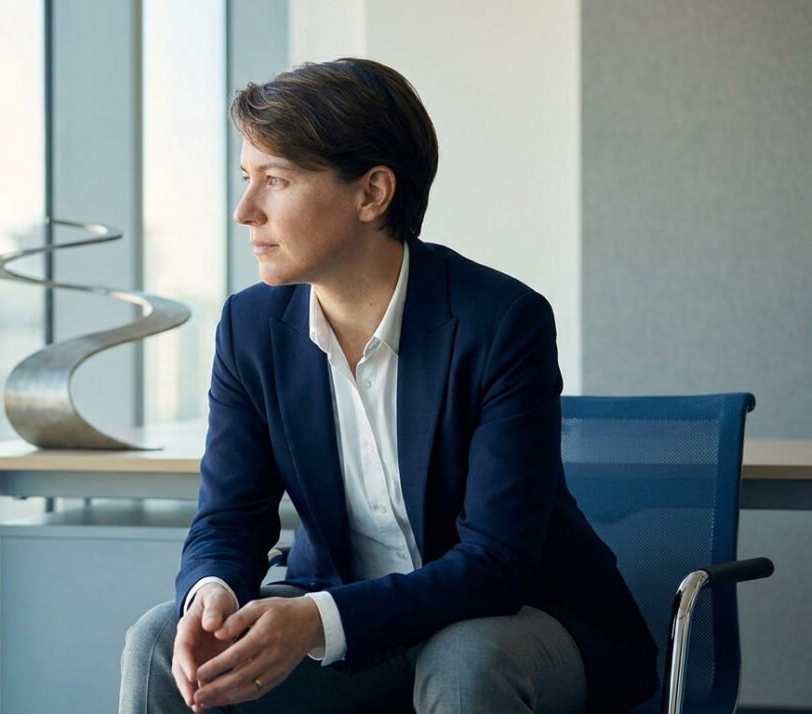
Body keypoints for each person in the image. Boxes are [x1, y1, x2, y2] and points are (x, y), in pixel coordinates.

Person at [118, 58, 658, 714]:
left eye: (275, 180)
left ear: (372, 194)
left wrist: (317, 620)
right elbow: (230, 518)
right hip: (351, 618)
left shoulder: (500, 323)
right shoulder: (250, 328)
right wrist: (213, 590)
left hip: (520, 619)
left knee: (465, 661)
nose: (244, 210)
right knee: (160, 636)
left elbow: (494, 565)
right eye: (245, 179)